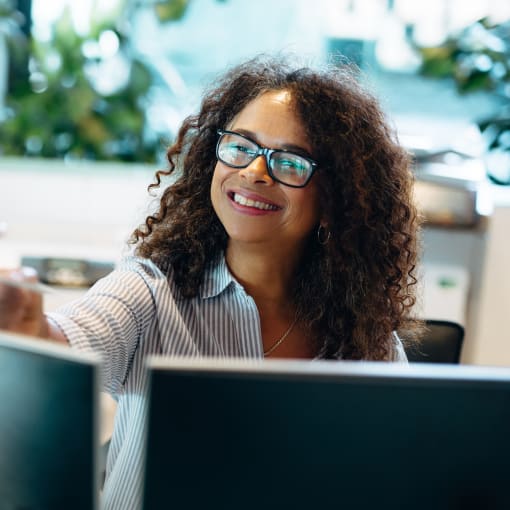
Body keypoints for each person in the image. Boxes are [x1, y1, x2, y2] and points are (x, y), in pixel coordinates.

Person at [0, 54, 421, 509]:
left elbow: (391, 478)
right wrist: (25, 324)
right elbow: (68, 341)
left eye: (291, 162)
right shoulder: (149, 292)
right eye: (241, 147)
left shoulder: (365, 341)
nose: (255, 172)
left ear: (333, 201)